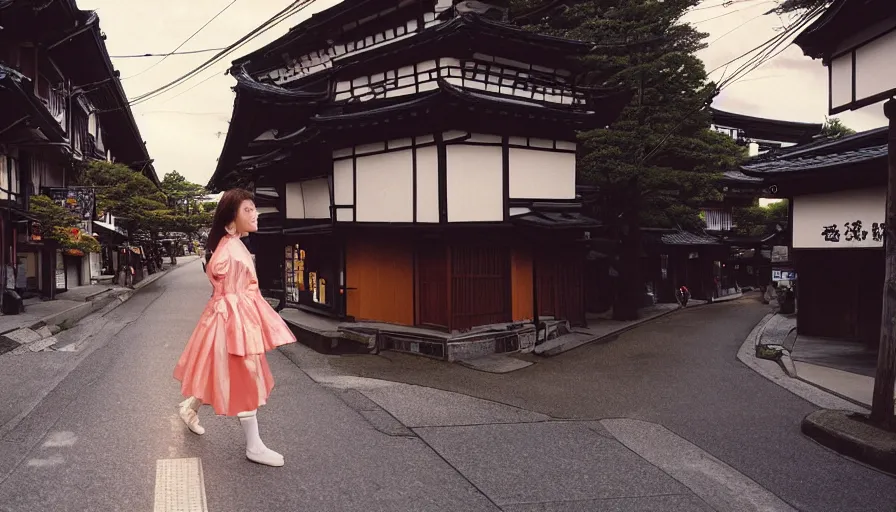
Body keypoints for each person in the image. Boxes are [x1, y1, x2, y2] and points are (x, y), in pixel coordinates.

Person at [173, 189, 297, 467]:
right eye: (248, 210)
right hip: (233, 321)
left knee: (220, 371)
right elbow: (230, 289)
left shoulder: (234, 244)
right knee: (246, 375)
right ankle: (254, 446)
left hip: (233, 318)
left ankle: (189, 408)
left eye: (255, 209)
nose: (255, 215)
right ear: (232, 218)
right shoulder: (229, 249)